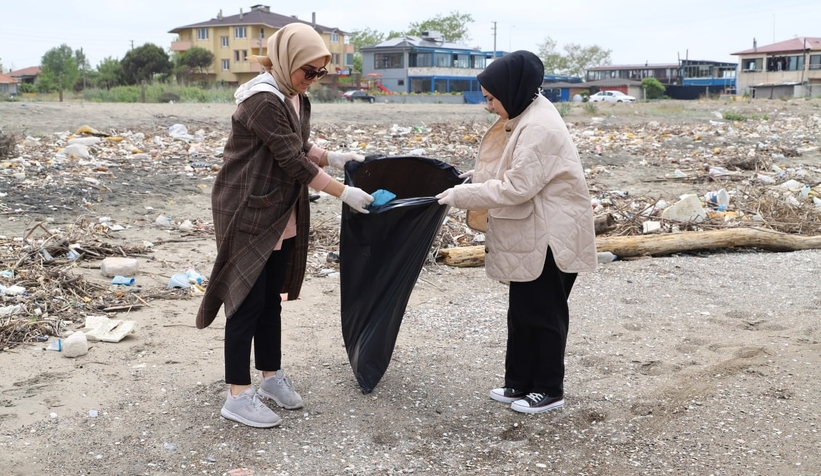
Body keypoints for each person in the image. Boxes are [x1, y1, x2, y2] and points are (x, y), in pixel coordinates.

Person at [195, 23, 374, 428]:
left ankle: (271, 377)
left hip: (280, 209)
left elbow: (300, 145)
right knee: (245, 301)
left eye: (319, 73)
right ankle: (237, 395)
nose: (312, 80)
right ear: (287, 60)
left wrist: (337, 157)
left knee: (271, 300)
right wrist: (343, 193)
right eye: (307, 71)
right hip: (248, 208)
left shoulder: (293, 96)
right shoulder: (262, 98)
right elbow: (292, 162)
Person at [435, 50, 597, 414]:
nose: (488, 105)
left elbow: (516, 187)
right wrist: (473, 180)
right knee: (522, 311)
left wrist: (462, 195)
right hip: (536, 231)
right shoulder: (528, 113)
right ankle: (519, 383)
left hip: (551, 237)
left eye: (491, 98)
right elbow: (514, 170)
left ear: (511, 89)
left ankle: (549, 389)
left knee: (544, 314)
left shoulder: (539, 127)